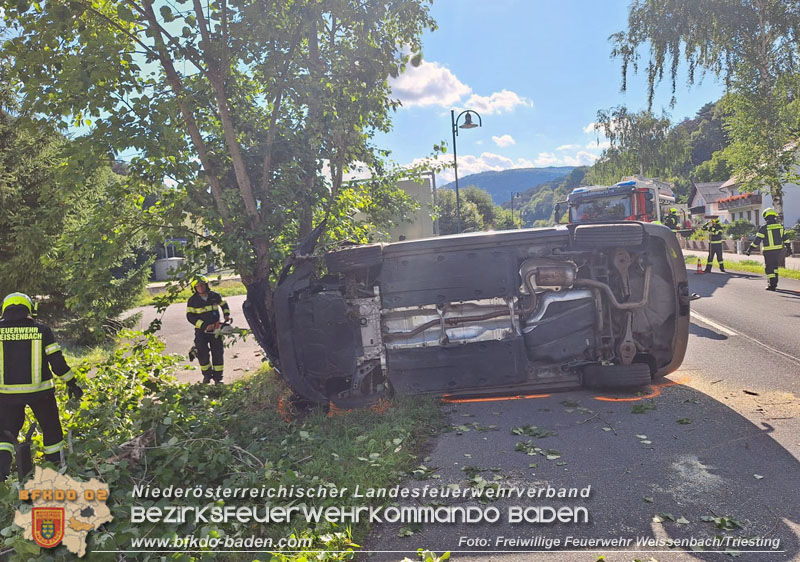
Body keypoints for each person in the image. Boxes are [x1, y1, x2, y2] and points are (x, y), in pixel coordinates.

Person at [0, 292, 83, 481]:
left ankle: (1, 476)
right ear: (30, 309)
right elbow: (57, 363)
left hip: (6, 397)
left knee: (4, 434)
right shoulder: (41, 330)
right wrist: (72, 383)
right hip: (41, 395)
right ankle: (54, 471)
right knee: (51, 429)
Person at [186, 276, 230, 384]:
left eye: (202, 285)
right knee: (202, 353)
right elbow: (190, 317)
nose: (200, 287)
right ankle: (207, 376)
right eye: (197, 286)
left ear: (206, 285)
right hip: (201, 332)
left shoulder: (215, 296)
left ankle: (218, 378)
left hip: (216, 331)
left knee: (218, 353)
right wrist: (204, 326)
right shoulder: (192, 301)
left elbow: (224, 304)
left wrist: (226, 315)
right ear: (194, 288)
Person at [746, 208, 790, 291]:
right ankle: (775, 282)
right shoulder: (780, 227)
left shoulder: (764, 228)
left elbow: (757, 241)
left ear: (765, 217)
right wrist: (789, 248)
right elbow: (786, 239)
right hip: (778, 251)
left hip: (768, 251)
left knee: (769, 268)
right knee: (775, 267)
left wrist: (750, 249)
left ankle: (772, 285)